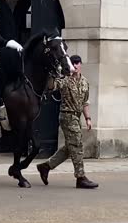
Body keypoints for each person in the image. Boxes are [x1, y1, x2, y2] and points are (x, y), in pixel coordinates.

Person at [36, 55, 99, 189]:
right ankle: (80, 177)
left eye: (77, 63)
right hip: (67, 116)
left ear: (81, 64)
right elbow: (52, 86)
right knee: (76, 145)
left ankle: (46, 166)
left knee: (70, 148)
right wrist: (53, 74)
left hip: (77, 117)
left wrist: (88, 118)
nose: (75, 66)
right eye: (73, 63)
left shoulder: (84, 82)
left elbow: (85, 102)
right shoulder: (65, 80)